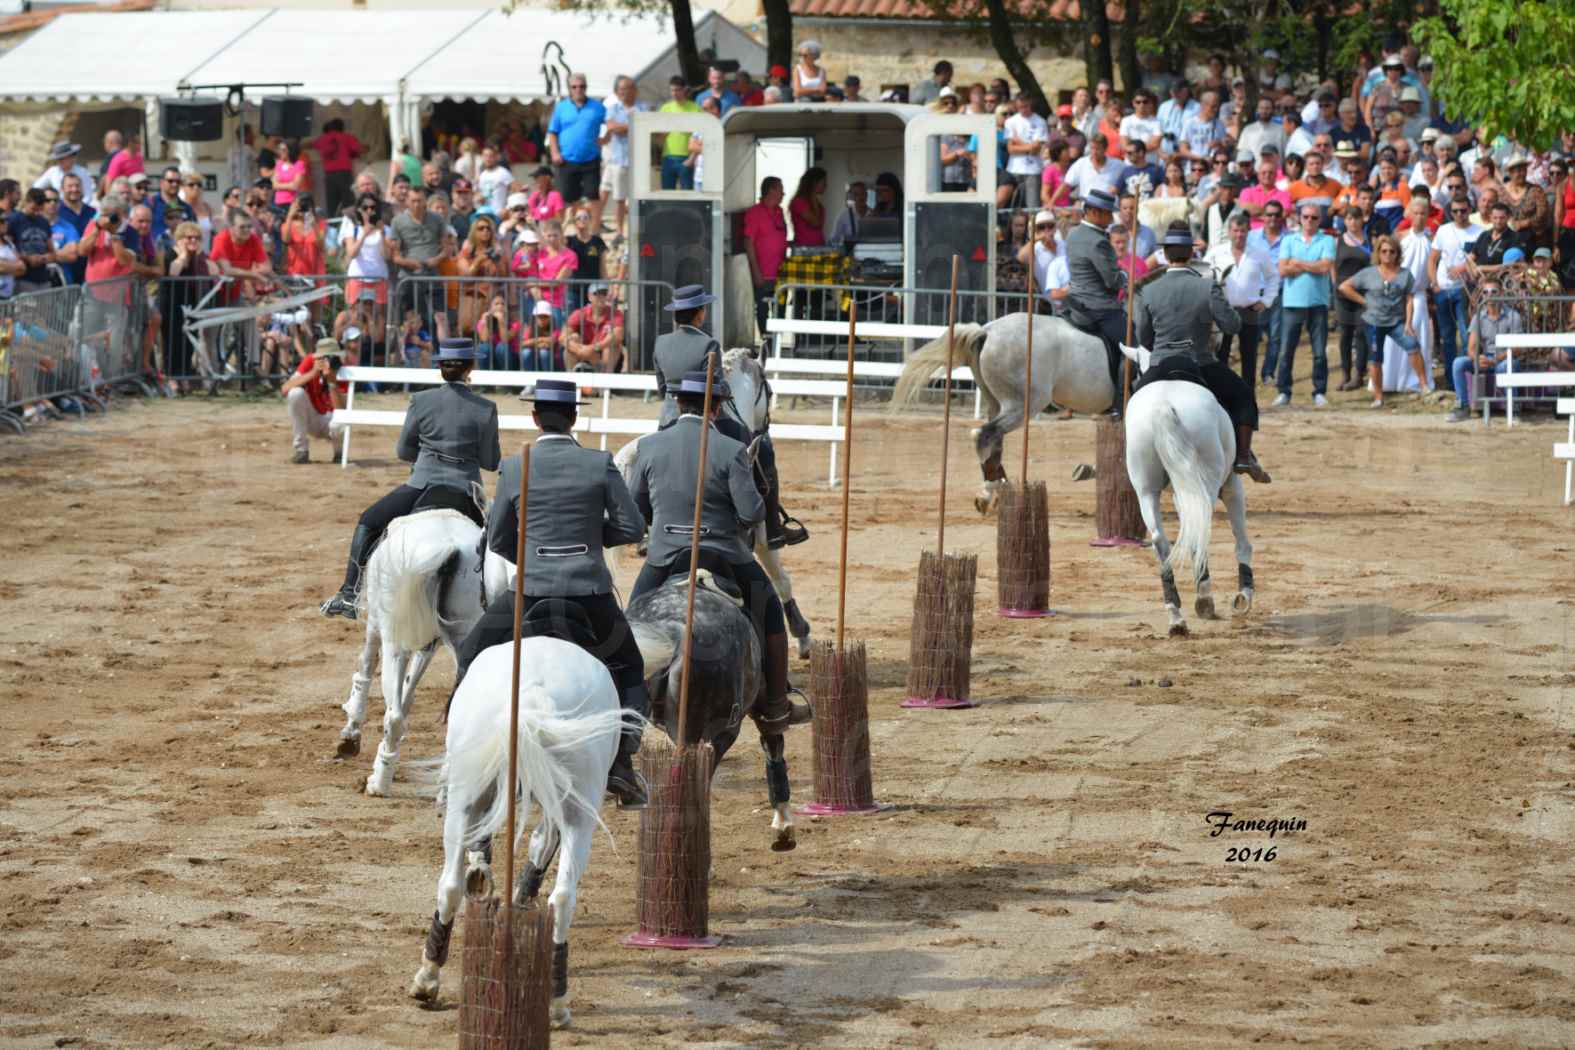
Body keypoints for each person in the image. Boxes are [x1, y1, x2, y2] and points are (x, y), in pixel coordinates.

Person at [451, 379, 650, 806]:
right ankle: (622, 767)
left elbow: (499, 538)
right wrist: (593, 539)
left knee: (469, 654)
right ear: (574, 417)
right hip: (590, 594)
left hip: (530, 593)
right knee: (630, 668)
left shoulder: (515, 465)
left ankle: (458, 756)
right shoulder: (599, 463)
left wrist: (533, 557)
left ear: (535, 417)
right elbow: (633, 527)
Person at [629, 370, 812, 734]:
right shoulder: (732, 450)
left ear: (678, 403)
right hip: (725, 555)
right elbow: (751, 514)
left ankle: (622, 705)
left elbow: (637, 512)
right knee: (773, 613)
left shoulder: (648, 446)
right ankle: (776, 706)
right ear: (716, 409)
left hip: (665, 557)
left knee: (628, 621)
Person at [320, 338, 500, 619]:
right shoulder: (485, 408)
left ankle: (349, 594)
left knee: (368, 522)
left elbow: (403, 450)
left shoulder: (421, 401)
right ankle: (493, 602)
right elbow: (491, 461)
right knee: (492, 546)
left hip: (420, 485)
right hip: (464, 489)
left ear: (440, 366)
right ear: (471, 367)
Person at [1133, 223, 1269, 482]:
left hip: (1161, 363)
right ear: (1191, 254)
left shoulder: (1148, 290)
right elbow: (1232, 325)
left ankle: (1128, 461)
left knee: (1133, 405)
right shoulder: (1207, 287)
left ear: (1165, 254)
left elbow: (1144, 338)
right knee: (1243, 396)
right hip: (1200, 363)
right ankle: (1242, 456)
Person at [1339, 234, 1428, 408]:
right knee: (1375, 359)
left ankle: (1424, 386)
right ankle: (1378, 397)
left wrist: (1409, 323)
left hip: (1396, 322)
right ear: (1378, 253)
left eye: (1392, 251)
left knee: (1413, 346)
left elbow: (1409, 299)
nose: (1388, 255)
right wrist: (1364, 301)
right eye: (1384, 251)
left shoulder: (1405, 274)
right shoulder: (1368, 273)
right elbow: (1344, 287)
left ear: (1397, 254)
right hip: (1373, 322)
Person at [1063, 187, 1127, 415]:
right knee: (1134, 346)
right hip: (1099, 307)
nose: (1111, 219)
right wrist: (1126, 277)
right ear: (1094, 212)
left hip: (1075, 301)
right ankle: (1120, 403)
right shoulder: (1098, 241)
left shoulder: (1073, 234)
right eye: (1108, 214)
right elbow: (1111, 281)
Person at [1273, 203, 1337, 407]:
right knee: (1286, 350)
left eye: (1314, 217)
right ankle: (1284, 391)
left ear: (1320, 220)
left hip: (1318, 302)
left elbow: (1326, 267)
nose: (1310, 221)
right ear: (1300, 218)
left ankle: (1319, 391)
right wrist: (1312, 265)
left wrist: (1298, 263)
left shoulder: (1327, 240)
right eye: (1306, 217)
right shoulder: (1288, 240)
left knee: (1319, 351)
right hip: (1292, 302)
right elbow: (1282, 270)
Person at [1208, 210, 1279, 389]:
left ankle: (1248, 400)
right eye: (1235, 231)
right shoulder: (1216, 253)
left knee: (1249, 357)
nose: (1239, 235)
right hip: (1224, 310)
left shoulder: (1259, 253)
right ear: (1229, 232)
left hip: (1249, 310)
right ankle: (1221, 397)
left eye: (1242, 231)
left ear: (1248, 231)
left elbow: (1273, 277)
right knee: (1221, 356)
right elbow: (1203, 275)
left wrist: (1266, 300)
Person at [1446, 278, 1523, 421]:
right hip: (1487, 358)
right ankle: (1463, 407)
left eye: (1494, 291)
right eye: (1485, 292)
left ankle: (1513, 408)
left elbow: (1518, 349)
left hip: (1506, 358)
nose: (1489, 295)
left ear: (1501, 293)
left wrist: (1496, 359)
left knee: (1505, 367)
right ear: (1482, 295)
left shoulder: (1513, 316)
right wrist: (1477, 358)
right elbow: (1471, 347)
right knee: (1458, 363)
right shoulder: (1478, 317)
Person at [546, 72, 606, 229]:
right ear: (569, 89)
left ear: (586, 87)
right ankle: (574, 229)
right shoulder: (561, 107)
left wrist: (606, 139)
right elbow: (552, 132)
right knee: (568, 198)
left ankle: (594, 231)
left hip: (591, 158)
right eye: (574, 87)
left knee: (593, 195)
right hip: (567, 159)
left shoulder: (598, 107)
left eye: (581, 86)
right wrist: (554, 152)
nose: (578, 89)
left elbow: (610, 125)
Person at [391, 185, 450, 331]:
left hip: (432, 275)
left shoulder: (437, 219)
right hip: (408, 277)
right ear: (407, 202)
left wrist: (436, 259)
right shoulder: (398, 221)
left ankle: (444, 351)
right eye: (413, 201)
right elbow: (396, 256)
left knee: (441, 316)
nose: (416, 204)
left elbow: (446, 249)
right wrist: (410, 263)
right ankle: (406, 351)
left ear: (425, 201)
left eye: (420, 201)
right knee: (409, 319)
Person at [281, 337, 348, 463]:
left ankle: (339, 453)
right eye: (325, 358)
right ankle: (301, 451)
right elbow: (285, 389)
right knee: (295, 393)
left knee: (341, 420)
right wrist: (313, 372)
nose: (330, 361)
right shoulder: (310, 361)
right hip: (313, 418)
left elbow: (342, 411)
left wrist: (332, 382)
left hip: (333, 422)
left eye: (333, 358)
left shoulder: (343, 371)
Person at [1331, 206, 1373, 391]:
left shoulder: (1369, 240)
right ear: (1345, 221)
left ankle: (1359, 374)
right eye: (1349, 218)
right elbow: (1333, 265)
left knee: (1361, 334)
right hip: (1342, 294)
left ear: (1362, 219)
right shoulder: (1337, 241)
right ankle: (1345, 374)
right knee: (1345, 336)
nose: (1353, 222)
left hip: (1363, 293)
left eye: (1356, 218)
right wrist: (1335, 284)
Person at [742, 177, 788, 339]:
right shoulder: (755, 212)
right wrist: (755, 272)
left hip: (781, 273)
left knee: (780, 310)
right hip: (763, 273)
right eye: (780, 189)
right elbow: (749, 242)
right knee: (763, 310)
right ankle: (766, 346)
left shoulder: (780, 211)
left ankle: (777, 345)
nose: (783, 193)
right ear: (771, 191)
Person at [599, 75, 645, 239]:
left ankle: (637, 229)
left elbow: (644, 127)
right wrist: (633, 125)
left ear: (635, 90)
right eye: (622, 89)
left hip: (639, 160)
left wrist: (623, 127)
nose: (626, 92)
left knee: (638, 197)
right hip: (618, 159)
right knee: (619, 198)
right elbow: (612, 127)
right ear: (617, 92)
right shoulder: (613, 109)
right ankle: (619, 230)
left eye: (629, 88)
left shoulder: (643, 108)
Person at [456, 214, 504, 335]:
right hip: (472, 299)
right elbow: (465, 276)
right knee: (468, 332)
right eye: (481, 228)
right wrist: (477, 262)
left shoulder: (496, 252)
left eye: (488, 228)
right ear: (474, 231)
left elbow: (503, 276)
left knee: (489, 337)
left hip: (491, 299)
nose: (485, 231)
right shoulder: (467, 252)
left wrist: (498, 258)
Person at [563, 282, 625, 372]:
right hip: (583, 351)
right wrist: (579, 350)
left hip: (603, 352)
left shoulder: (615, 313)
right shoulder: (580, 313)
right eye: (597, 294)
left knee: (613, 346)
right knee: (572, 338)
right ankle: (572, 378)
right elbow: (563, 337)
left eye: (604, 293)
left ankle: (605, 381)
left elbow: (618, 336)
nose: (601, 297)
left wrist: (595, 348)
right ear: (589, 296)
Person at [312, 119, 365, 218]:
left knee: (332, 203)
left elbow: (311, 145)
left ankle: (334, 226)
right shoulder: (347, 137)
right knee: (348, 201)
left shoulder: (322, 139)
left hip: (329, 175)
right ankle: (351, 223)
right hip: (344, 173)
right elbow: (360, 150)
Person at [1004, 92, 1048, 209]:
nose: (1023, 110)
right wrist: (1029, 146)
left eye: (1025, 106)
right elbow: (1011, 149)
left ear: (1031, 104)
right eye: (1020, 107)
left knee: (1032, 207)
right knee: (1013, 206)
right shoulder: (1011, 122)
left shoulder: (1040, 122)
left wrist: (1019, 142)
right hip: (1014, 168)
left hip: (1033, 170)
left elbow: (1037, 149)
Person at [659, 77, 702, 190]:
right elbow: (659, 135)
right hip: (668, 157)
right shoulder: (665, 108)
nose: (674, 93)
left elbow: (700, 134)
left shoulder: (695, 108)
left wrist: (693, 157)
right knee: (667, 193)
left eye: (677, 90)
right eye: (672, 90)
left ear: (685, 90)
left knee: (687, 194)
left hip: (687, 156)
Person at [475, 292, 521, 371]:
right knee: (483, 347)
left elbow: (505, 339)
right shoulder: (482, 321)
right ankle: (485, 379)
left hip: (509, 360)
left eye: (502, 304)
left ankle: (506, 380)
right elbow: (484, 339)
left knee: (501, 347)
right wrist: (486, 321)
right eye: (496, 304)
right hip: (491, 360)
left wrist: (500, 320)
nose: (500, 306)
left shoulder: (514, 323)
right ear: (490, 308)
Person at [788, 167, 827, 246]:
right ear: (814, 183)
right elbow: (815, 222)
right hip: (804, 250)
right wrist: (813, 196)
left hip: (819, 248)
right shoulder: (798, 202)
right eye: (823, 182)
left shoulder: (819, 204)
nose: (826, 185)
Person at [828, 179, 869, 250]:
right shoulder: (843, 216)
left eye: (863, 193)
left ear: (867, 195)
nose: (860, 197)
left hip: (870, 255)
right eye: (856, 194)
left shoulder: (874, 215)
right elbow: (833, 240)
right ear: (852, 197)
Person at [521, 300, 560, 371]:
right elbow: (523, 343)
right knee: (526, 352)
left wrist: (533, 342)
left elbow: (551, 342)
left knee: (544, 352)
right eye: (539, 317)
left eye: (545, 317)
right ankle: (529, 378)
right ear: (535, 317)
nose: (542, 319)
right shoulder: (530, 328)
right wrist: (540, 341)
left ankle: (547, 378)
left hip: (551, 362)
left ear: (550, 317)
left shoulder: (555, 330)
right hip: (534, 360)